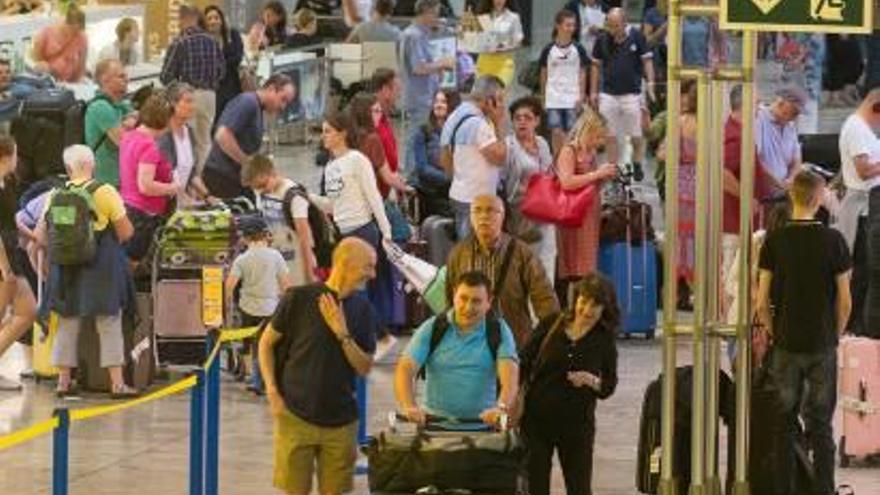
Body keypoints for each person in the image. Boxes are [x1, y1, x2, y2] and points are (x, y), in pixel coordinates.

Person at [756, 170, 852, 495]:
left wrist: (773, 332)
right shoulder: (834, 240)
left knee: (783, 426)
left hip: (785, 343)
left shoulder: (774, 240)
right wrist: (834, 335)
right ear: (817, 197)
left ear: (793, 196)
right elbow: (845, 301)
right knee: (821, 425)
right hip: (822, 342)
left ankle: (784, 488)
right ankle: (824, 489)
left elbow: (760, 300)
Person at [258, 237, 378, 495]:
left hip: (342, 423)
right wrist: (271, 391)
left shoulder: (363, 309)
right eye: (368, 266)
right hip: (295, 418)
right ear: (346, 263)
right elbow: (266, 344)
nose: (373, 274)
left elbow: (364, 367)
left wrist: (342, 333)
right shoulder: (298, 298)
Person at [35, 145, 137, 398]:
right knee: (109, 322)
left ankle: (64, 382)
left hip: (66, 269)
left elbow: (40, 236)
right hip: (100, 267)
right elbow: (126, 233)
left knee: (67, 322)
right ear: (92, 165)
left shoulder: (55, 194)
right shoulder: (105, 191)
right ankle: (117, 384)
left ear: (68, 168)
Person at [520, 274, 619, 495]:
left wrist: (591, 380)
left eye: (595, 305)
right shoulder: (551, 324)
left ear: (605, 309)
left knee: (579, 488)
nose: (586, 310)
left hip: (577, 428)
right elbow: (523, 362)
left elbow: (609, 386)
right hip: (537, 422)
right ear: (576, 299)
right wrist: (508, 400)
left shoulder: (604, 340)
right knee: (535, 486)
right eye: (584, 301)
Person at [320, 111, 398, 359]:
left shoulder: (357, 160)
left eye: (328, 131)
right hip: (344, 235)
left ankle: (377, 339)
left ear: (342, 133)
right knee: (348, 292)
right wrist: (302, 195)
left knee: (355, 292)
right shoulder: (330, 166)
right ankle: (375, 338)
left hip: (362, 231)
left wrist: (386, 232)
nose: (324, 136)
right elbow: (332, 206)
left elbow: (373, 196)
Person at [395, 270, 519, 425]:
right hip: (434, 429)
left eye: (476, 301)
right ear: (454, 295)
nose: (468, 307)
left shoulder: (499, 330)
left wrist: (501, 408)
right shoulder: (433, 327)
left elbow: (510, 377)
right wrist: (409, 406)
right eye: (463, 298)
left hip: (484, 430)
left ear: (489, 302)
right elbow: (405, 368)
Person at [446, 194, 559, 348]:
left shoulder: (522, 253)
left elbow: (544, 298)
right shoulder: (458, 254)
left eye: (491, 210)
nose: (483, 216)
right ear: (470, 218)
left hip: (513, 341)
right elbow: (450, 299)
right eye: (477, 211)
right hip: (471, 343)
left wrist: (550, 339)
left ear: (503, 216)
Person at [555, 108, 618, 303]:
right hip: (572, 215)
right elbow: (566, 182)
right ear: (588, 131)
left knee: (585, 265)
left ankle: (580, 305)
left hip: (589, 215)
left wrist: (604, 177)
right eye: (598, 136)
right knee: (570, 262)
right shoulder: (569, 150)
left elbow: (589, 184)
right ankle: (564, 307)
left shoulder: (590, 154)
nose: (600, 142)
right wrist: (597, 174)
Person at [225, 215, 292, 395]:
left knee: (246, 342)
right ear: (265, 235)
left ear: (246, 238)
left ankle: (249, 375)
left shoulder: (242, 259)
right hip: (270, 308)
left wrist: (225, 304)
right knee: (267, 344)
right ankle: (263, 378)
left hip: (247, 307)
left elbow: (229, 287)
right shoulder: (276, 256)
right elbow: (287, 285)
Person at [203, 74, 297, 199]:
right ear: (271, 89)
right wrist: (246, 162)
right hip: (222, 177)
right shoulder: (248, 102)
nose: (283, 107)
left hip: (234, 178)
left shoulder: (257, 108)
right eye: (283, 99)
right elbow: (222, 135)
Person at [160, 4, 226, 177]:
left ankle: (187, 182)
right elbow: (222, 71)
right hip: (210, 95)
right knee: (205, 141)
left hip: (186, 96)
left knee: (186, 140)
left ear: (183, 19)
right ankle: (202, 180)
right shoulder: (213, 41)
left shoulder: (180, 42)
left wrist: (177, 90)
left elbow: (166, 75)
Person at [590, 7, 654, 179]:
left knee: (635, 134)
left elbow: (647, 61)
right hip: (608, 93)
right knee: (610, 135)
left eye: (616, 26)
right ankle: (613, 169)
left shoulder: (637, 37)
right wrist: (593, 91)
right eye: (609, 25)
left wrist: (651, 83)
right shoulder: (602, 39)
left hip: (632, 94)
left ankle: (637, 161)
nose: (612, 30)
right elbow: (595, 66)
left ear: (625, 23)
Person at [441, 75, 508, 240]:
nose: (501, 105)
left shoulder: (454, 116)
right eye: (499, 99)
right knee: (475, 255)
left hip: (460, 194)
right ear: (489, 100)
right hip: (476, 200)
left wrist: (459, 178)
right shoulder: (479, 124)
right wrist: (499, 123)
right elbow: (500, 157)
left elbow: (444, 157)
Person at [836, 87, 880, 336]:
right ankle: (856, 325)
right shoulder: (856, 128)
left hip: (870, 207)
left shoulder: (865, 131)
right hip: (863, 211)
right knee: (863, 270)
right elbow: (863, 170)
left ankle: (860, 324)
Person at [242, 154, 318, 286]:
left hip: (296, 267)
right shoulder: (261, 194)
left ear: (273, 173)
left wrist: (309, 277)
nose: (260, 191)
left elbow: (304, 239)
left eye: (262, 185)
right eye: (255, 188)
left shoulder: (294, 197)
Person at [118, 92, 176, 264]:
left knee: (124, 258)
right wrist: (173, 187)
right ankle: (125, 291)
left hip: (127, 205)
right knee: (132, 261)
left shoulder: (129, 137)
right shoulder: (149, 146)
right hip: (144, 212)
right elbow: (145, 185)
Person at [503, 96, 555, 283]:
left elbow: (549, 172)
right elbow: (503, 182)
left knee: (545, 263)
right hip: (520, 213)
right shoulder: (508, 146)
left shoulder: (542, 143)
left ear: (537, 121)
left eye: (527, 117)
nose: (522, 122)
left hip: (543, 212)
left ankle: (544, 307)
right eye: (517, 118)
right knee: (522, 265)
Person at [0, 135, 37, 391]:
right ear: (6, 155)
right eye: (15, 153)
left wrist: (35, 237)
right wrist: (3, 266)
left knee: (27, 311)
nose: (17, 159)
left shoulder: (7, 182)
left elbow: (12, 221)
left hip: (11, 252)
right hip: (3, 258)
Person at [539, 9, 590, 154]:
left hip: (572, 97)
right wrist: (543, 97)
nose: (571, 29)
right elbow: (543, 74)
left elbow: (582, 73)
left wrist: (581, 95)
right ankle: (557, 159)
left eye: (573, 25)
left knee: (570, 133)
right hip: (553, 97)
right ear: (558, 26)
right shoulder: (548, 49)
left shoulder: (578, 49)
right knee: (556, 131)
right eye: (568, 25)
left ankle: (567, 161)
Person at [399, 0, 457, 125]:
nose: (438, 19)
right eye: (435, 14)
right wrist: (443, 63)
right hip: (419, 99)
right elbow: (418, 68)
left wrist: (438, 69)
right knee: (416, 139)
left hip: (426, 97)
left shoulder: (420, 34)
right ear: (426, 13)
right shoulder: (415, 36)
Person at [157, 82, 213, 208]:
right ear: (173, 103)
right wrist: (186, 200)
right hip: (164, 206)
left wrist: (208, 196)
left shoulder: (189, 131)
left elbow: (192, 174)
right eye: (188, 101)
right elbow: (166, 175)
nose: (193, 106)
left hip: (180, 204)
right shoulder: (164, 135)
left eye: (194, 102)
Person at [84, 59, 137, 188]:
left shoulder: (121, 105)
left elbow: (143, 124)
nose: (126, 80)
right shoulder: (100, 107)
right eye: (121, 76)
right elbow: (126, 143)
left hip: (125, 180)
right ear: (104, 80)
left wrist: (132, 124)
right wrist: (128, 125)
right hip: (107, 183)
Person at [348, 92, 409, 200]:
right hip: (372, 200)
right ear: (365, 113)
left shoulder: (348, 136)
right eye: (376, 111)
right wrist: (408, 189)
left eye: (380, 111)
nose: (379, 115)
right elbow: (388, 178)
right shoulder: (373, 139)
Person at [410, 89, 459, 219]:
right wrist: (450, 178)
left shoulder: (459, 133)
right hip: (428, 191)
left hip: (452, 191)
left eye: (443, 102)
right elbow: (422, 168)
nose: (438, 105)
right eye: (436, 101)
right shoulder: (423, 131)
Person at [754, 86, 806, 201]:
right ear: (780, 103)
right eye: (793, 112)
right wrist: (778, 183)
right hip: (762, 195)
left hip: (783, 194)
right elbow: (754, 161)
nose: (794, 117)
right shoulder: (758, 119)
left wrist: (791, 179)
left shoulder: (790, 125)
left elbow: (796, 159)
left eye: (797, 114)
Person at [370, 68, 410, 198]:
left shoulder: (384, 118)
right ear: (386, 90)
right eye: (397, 90)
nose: (399, 95)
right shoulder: (372, 119)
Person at [204, 5, 245, 125]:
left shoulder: (233, 35)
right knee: (215, 123)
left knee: (232, 121)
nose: (213, 21)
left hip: (232, 85)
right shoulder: (203, 40)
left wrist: (219, 64)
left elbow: (238, 57)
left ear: (221, 19)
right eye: (209, 18)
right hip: (213, 88)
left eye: (216, 17)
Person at [473, 0, 523, 87]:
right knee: (483, 96)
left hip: (504, 63)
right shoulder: (483, 16)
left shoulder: (513, 17)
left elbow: (518, 42)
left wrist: (505, 48)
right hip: (485, 61)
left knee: (497, 94)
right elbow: (476, 39)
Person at [31, 5, 87, 83]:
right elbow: (36, 59)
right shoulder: (46, 33)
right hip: (47, 79)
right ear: (66, 23)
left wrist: (76, 82)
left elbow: (81, 65)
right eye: (73, 29)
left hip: (68, 81)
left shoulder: (81, 37)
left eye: (78, 29)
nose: (76, 33)